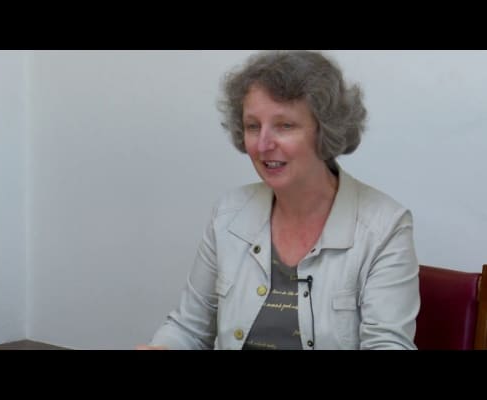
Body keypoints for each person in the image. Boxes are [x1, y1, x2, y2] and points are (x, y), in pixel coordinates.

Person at [137, 50, 420, 350]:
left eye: (285, 125)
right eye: (253, 126)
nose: (263, 145)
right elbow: (189, 329)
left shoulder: (385, 227)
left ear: (325, 130)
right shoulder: (228, 214)